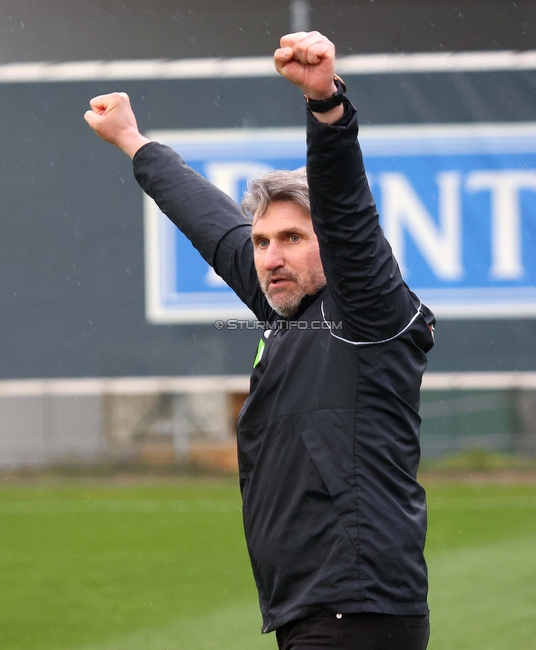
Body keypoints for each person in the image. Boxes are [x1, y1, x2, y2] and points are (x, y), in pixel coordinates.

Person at [85, 31, 435, 650]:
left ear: (331, 245)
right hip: (314, 608)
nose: (271, 255)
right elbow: (211, 223)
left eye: (293, 238)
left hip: (356, 610)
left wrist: (325, 104)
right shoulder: (289, 310)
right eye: (263, 241)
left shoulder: (367, 310)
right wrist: (134, 143)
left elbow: (348, 212)